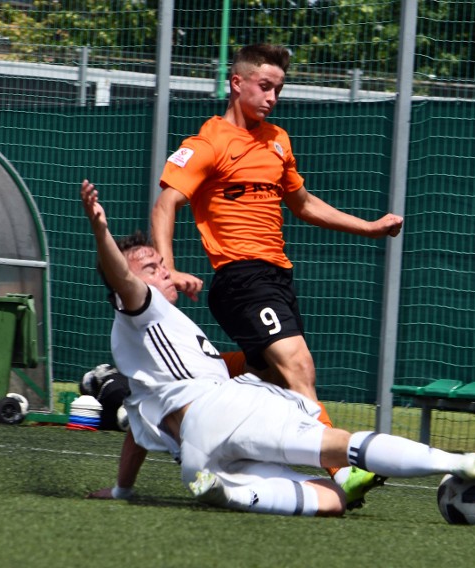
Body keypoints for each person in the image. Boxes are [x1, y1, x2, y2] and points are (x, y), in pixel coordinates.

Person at [81, 179, 475, 516]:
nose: (162, 271)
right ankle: (459, 460)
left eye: (161, 265)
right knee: (341, 445)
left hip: (200, 452)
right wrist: (102, 232)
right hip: (220, 411)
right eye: (151, 268)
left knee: (332, 501)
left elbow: (138, 437)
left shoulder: (139, 351)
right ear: (125, 283)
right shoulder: (140, 307)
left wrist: (121, 491)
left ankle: (233, 492)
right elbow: (121, 276)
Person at [151, 43, 403, 500]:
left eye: (278, 89)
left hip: (276, 278)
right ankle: (340, 469)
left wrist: (368, 227)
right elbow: (166, 202)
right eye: (264, 86)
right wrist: (166, 268)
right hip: (240, 277)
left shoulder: (277, 140)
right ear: (236, 83)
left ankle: (176, 414)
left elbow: (303, 204)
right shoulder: (206, 144)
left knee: (264, 379)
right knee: (299, 367)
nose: (271, 97)